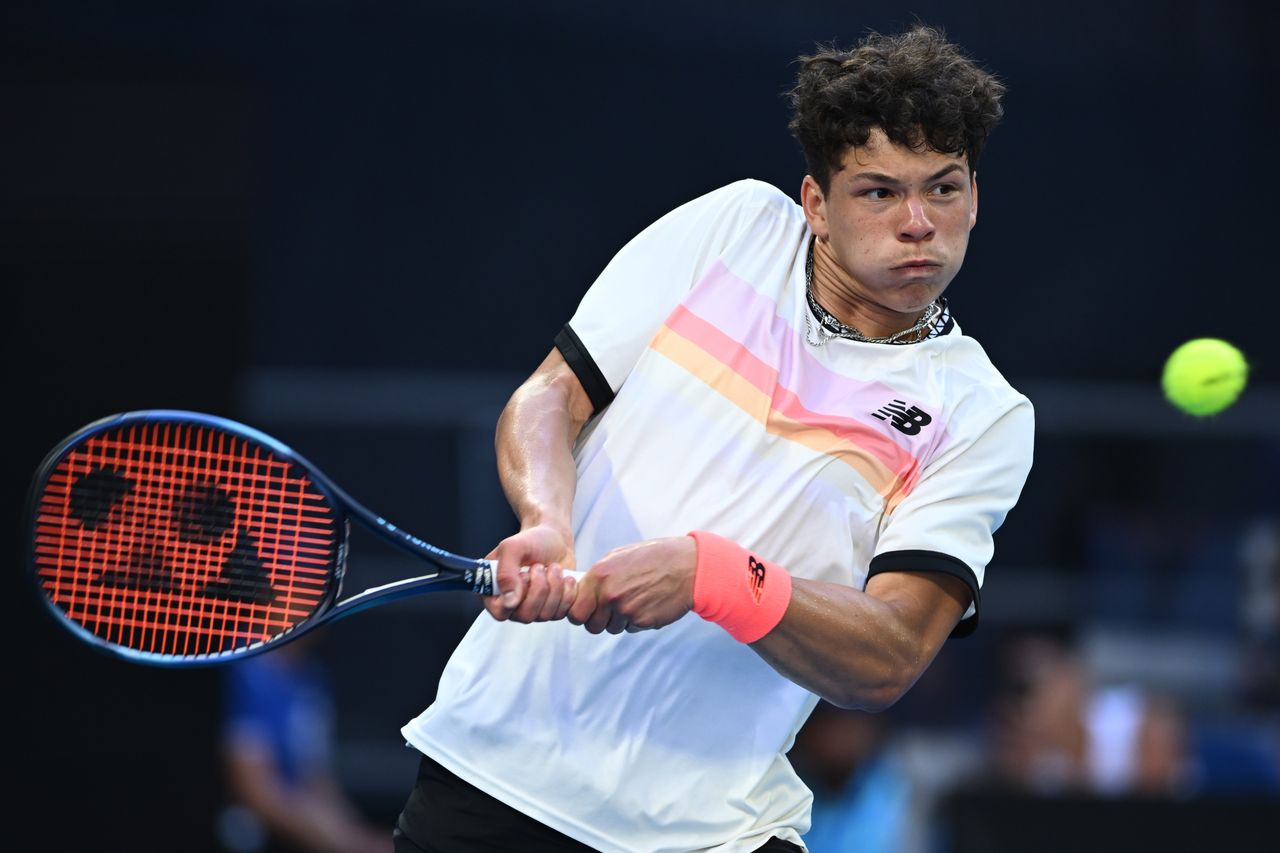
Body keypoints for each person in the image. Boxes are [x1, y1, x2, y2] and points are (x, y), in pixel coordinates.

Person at [396, 23, 1034, 852]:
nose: (918, 223)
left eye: (942, 188)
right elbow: (551, 397)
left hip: (714, 832)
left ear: (974, 196)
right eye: (879, 192)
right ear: (817, 205)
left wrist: (715, 575)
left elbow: (891, 652)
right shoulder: (735, 230)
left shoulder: (981, 412)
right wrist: (546, 519)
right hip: (491, 780)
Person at [217, 636, 393, 853]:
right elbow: (255, 791)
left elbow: (317, 778)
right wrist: (347, 842)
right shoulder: (245, 668)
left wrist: (360, 837)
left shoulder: (314, 676)